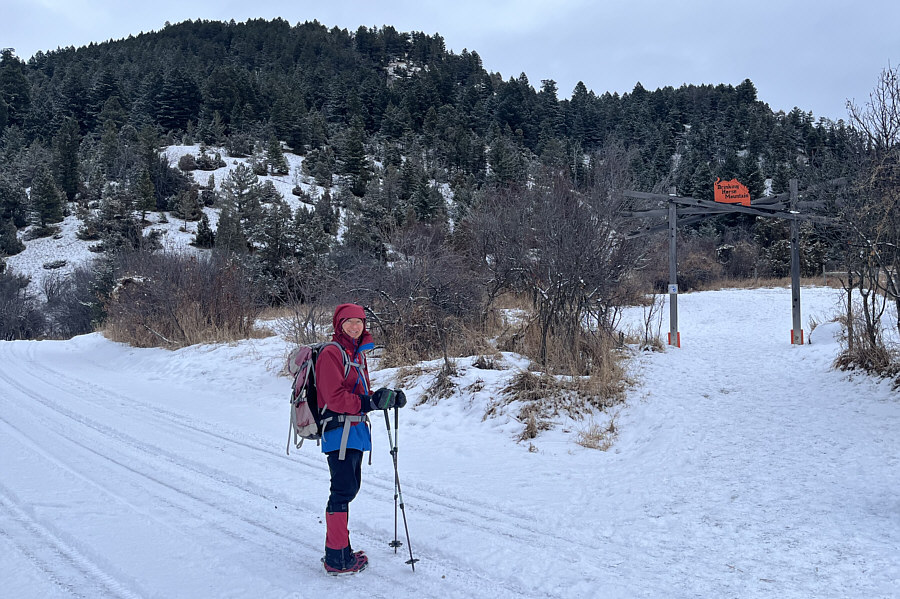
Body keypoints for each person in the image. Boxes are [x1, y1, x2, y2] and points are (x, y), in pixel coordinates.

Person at [316, 303, 407, 575]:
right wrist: (369, 403)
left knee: (349, 489)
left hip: (354, 431)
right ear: (339, 324)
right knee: (342, 491)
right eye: (349, 322)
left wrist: (385, 399)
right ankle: (336, 558)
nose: (355, 327)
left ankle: (341, 551)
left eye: (360, 322)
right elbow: (334, 397)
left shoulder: (355, 354)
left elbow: (358, 394)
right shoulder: (332, 353)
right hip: (339, 432)